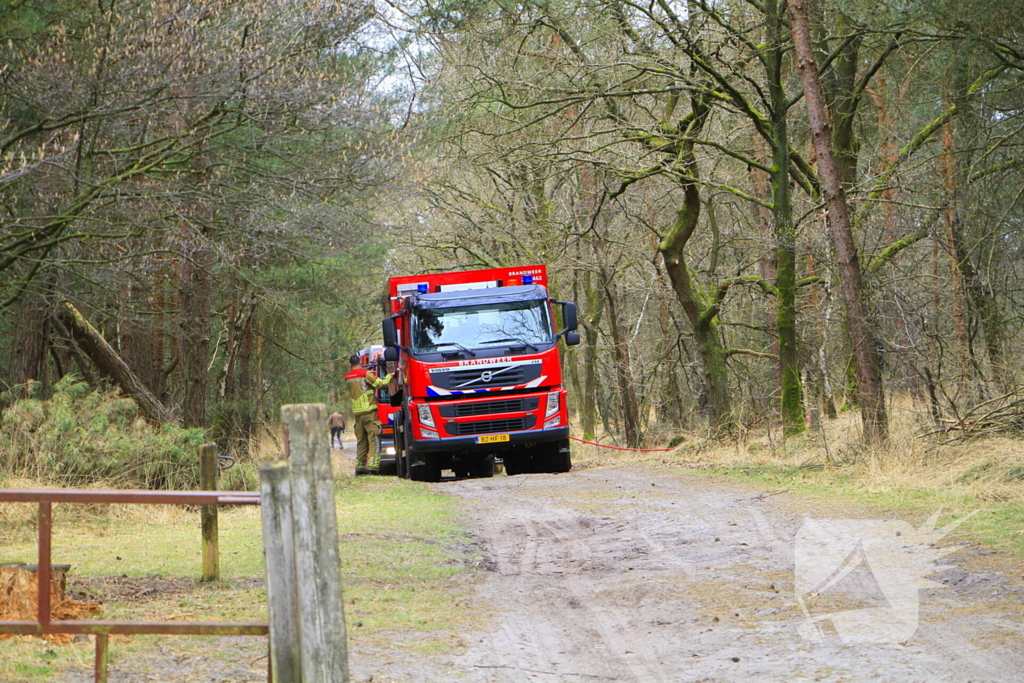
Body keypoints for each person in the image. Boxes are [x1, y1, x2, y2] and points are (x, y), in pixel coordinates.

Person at [344, 354, 392, 475]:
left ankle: (359, 469)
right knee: (373, 439)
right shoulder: (365, 374)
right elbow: (381, 385)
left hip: (357, 415)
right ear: (359, 362)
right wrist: (389, 376)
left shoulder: (347, 377)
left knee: (361, 441)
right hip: (369, 413)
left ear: (350, 364)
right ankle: (372, 468)